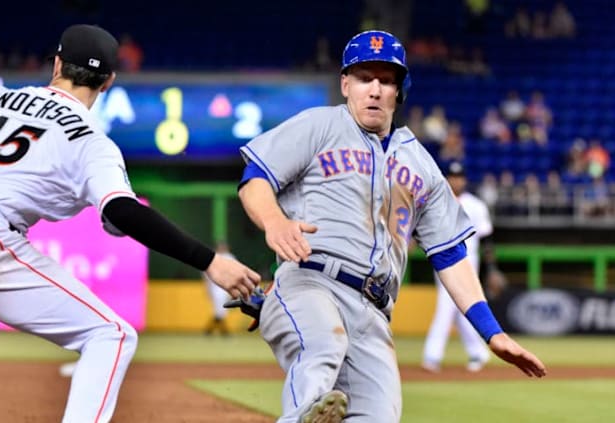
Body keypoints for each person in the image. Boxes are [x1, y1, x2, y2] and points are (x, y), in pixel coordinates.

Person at [0, 24, 260, 422]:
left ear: (56, 64)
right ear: (108, 83)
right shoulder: (90, 142)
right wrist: (210, 261)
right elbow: (122, 211)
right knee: (111, 336)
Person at [233, 29, 546, 423]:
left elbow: (450, 255)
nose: (375, 89)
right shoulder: (318, 126)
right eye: (365, 77)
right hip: (310, 284)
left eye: (386, 79)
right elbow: (255, 180)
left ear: (400, 90)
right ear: (346, 84)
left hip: (374, 310)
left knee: (379, 417)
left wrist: (492, 332)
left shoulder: (421, 165)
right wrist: (274, 221)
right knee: (321, 350)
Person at [422, 161, 506, 373]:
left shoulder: (476, 206)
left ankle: (432, 356)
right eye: (451, 176)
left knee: (446, 308)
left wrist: (492, 269)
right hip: (442, 263)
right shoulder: (436, 202)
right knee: (461, 312)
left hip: (468, 264)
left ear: (464, 179)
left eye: (459, 177)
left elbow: (486, 240)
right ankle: (478, 352)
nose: (455, 180)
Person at [202, 241, 235, 335]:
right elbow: (205, 273)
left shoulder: (230, 257)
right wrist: (207, 287)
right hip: (215, 286)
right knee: (219, 310)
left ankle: (210, 330)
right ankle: (223, 331)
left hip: (226, 286)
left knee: (221, 310)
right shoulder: (213, 256)